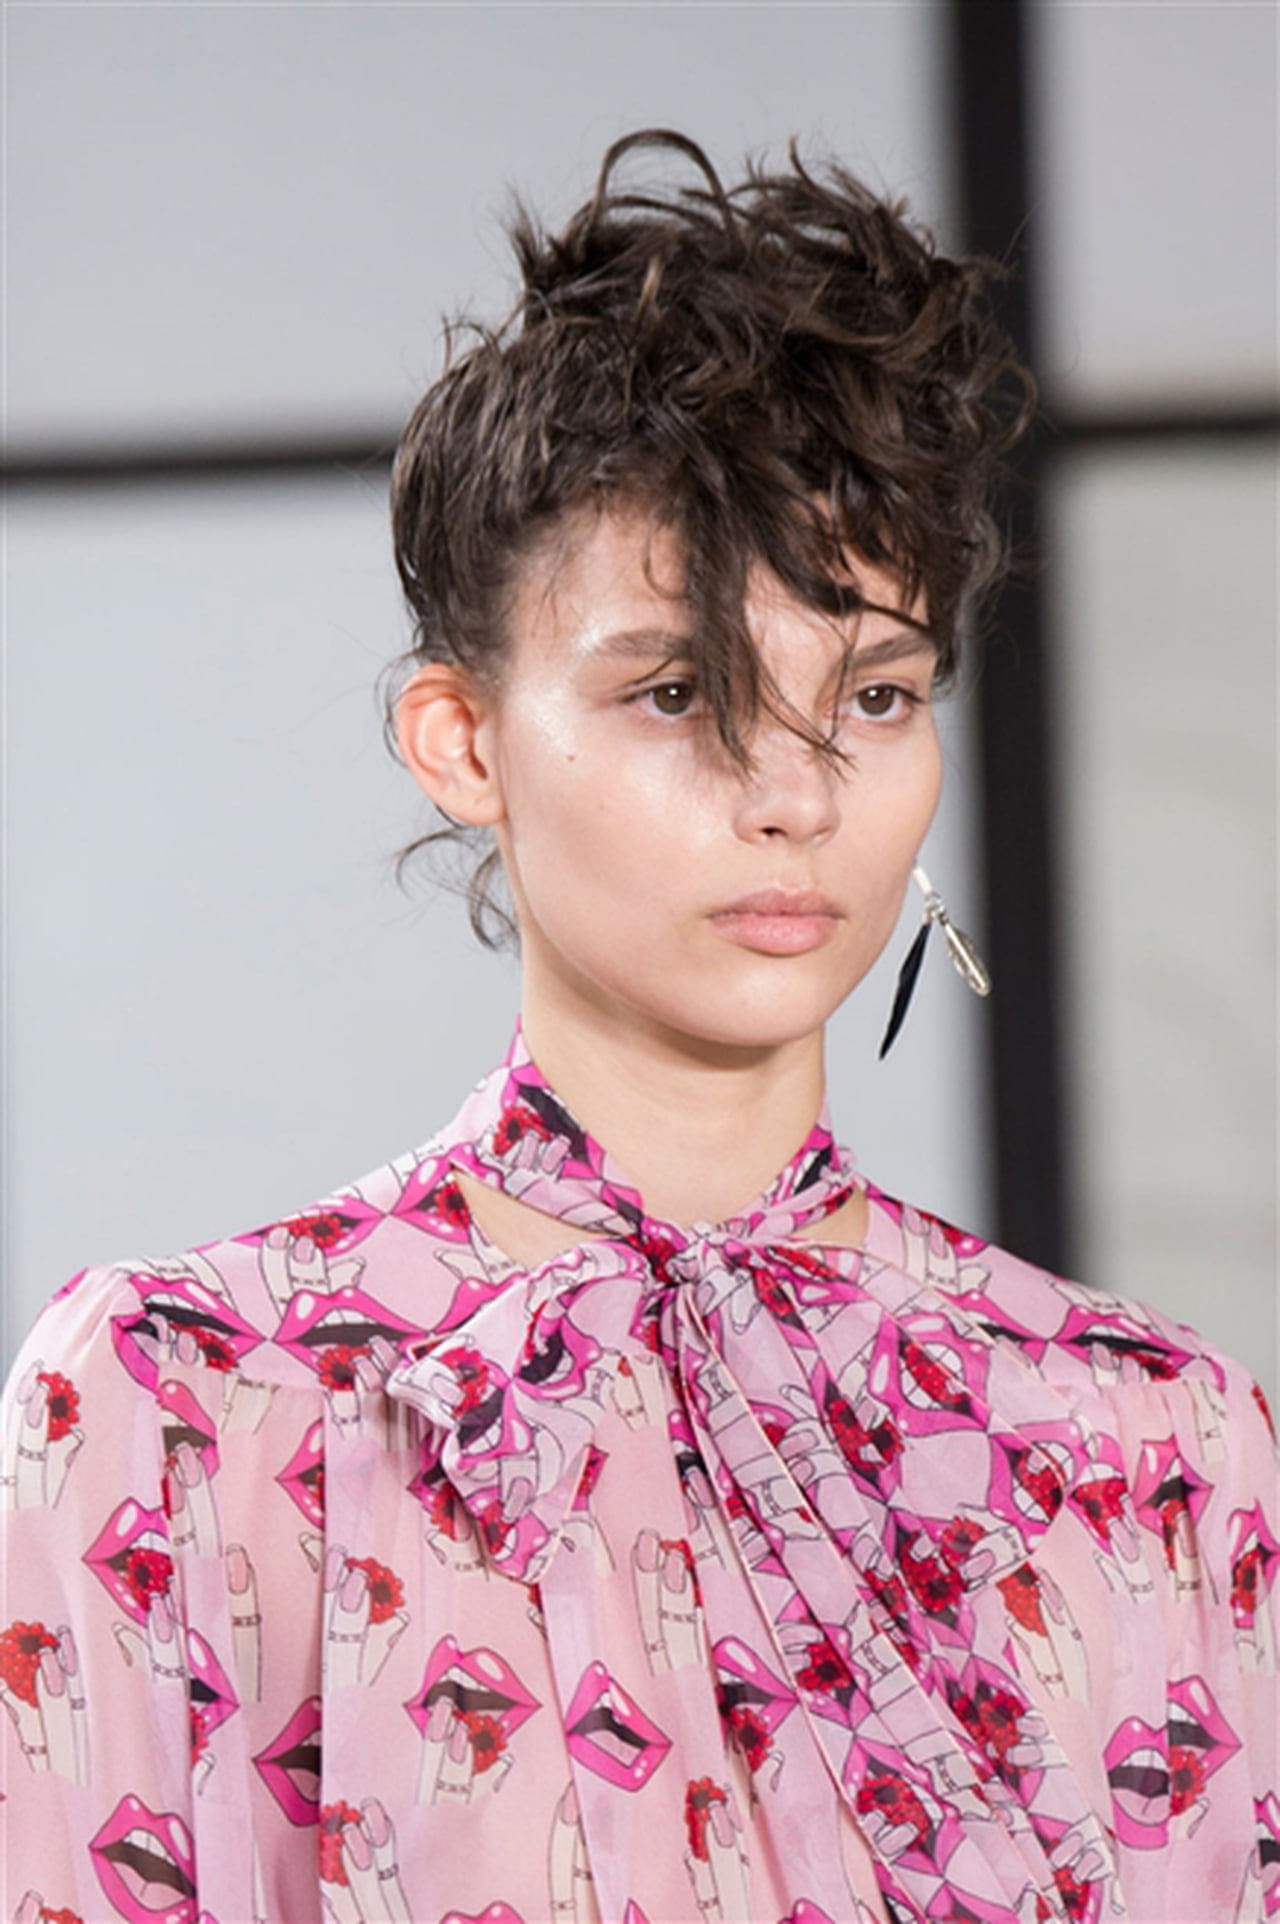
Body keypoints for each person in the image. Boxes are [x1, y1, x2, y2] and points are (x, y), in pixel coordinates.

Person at [1, 127, 1275, 1924]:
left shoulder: (1148, 1441)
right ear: (463, 742)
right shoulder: (188, 1403)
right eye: (678, 691)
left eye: (876, 694)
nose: (795, 793)